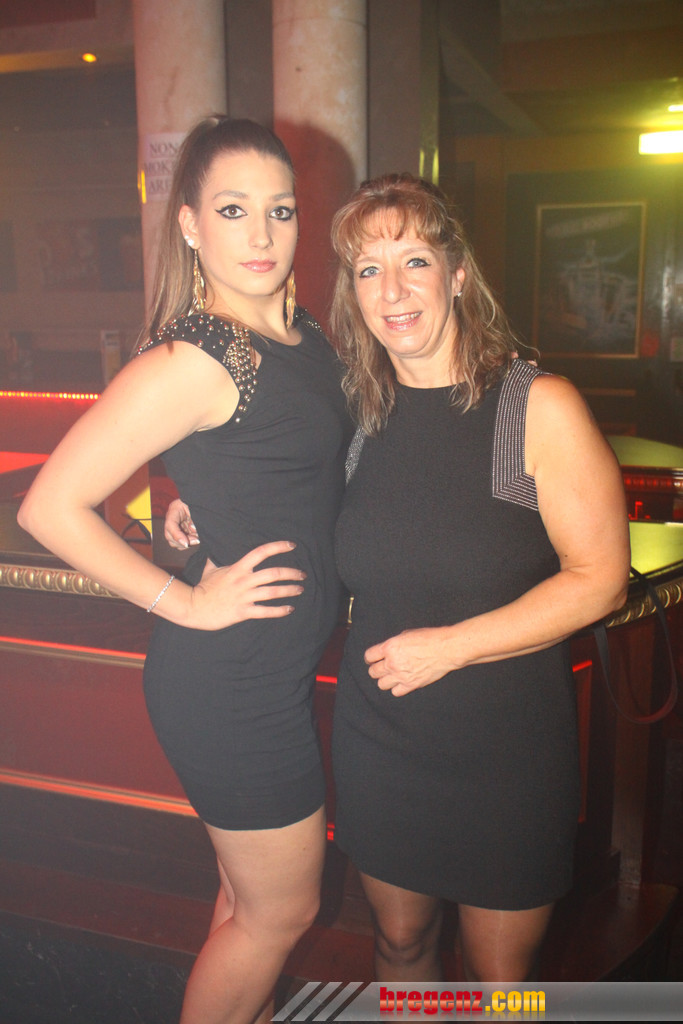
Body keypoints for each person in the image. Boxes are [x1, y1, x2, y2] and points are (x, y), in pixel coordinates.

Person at [18, 116, 351, 1024]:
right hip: (229, 681)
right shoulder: (196, 357)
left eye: (280, 209)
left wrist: (196, 503)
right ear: (192, 225)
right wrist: (183, 600)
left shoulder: (301, 334)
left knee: (248, 907)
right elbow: (49, 507)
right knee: (281, 914)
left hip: (266, 672)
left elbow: (289, 469)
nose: (262, 233)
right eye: (233, 210)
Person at [326, 173, 630, 983]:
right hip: (380, 735)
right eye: (367, 269)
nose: (391, 290)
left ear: (457, 275)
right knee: (398, 944)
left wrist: (449, 648)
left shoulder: (535, 405)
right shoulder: (359, 413)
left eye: (413, 261)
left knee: (503, 983)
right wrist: (199, 518)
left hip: (505, 749)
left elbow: (600, 579)